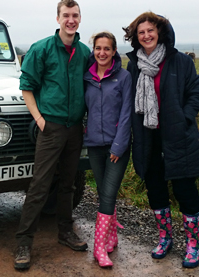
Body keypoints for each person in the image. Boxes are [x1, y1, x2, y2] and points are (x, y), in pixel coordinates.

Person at [123, 12, 199, 269]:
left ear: (160, 32)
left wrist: (184, 117)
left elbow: (196, 92)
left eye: (150, 30)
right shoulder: (134, 64)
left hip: (177, 135)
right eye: (141, 32)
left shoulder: (180, 61)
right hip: (148, 137)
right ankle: (165, 237)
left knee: (185, 190)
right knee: (155, 188)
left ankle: (192, 243)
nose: (146, 35)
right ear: (136, 37)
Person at [14, 0, 91, 270]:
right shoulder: (42, 49)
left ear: (80, 19)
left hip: (75, 129)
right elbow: (27, 86)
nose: (71, 20)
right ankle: (24, 242)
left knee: (68, 184)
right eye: (66, 15)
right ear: (58, 18)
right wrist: (39, 119)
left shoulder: (84, 52)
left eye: (76, 15)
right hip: (51, 127)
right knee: (40, 185)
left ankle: (65, 232)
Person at [83, 31, 132, 267]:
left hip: (116, 147)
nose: (102, 53)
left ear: (114, 52)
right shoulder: (87, 77)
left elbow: (126, 115)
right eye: (98, 48)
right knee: (104, 194)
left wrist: (119, 145)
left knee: (108, 195)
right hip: (93, 145)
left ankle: (99, 248)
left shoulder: (123, 77)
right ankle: (111, 236)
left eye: (107, 49)